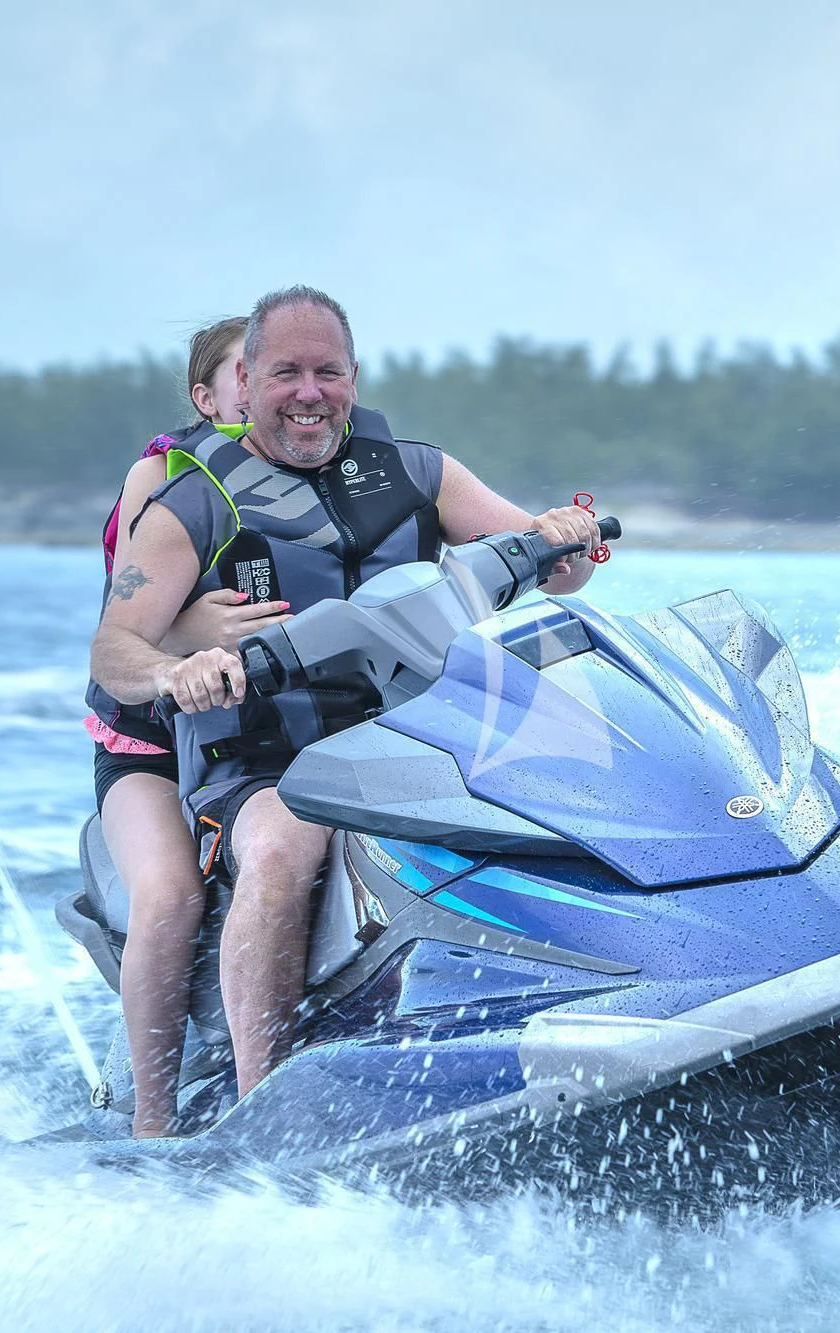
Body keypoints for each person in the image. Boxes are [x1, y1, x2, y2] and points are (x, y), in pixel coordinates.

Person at [91, 285, 602, 1110]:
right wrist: (172, 671)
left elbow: (556, 562)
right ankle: (263, 1105)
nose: (308, 392)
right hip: (262, 761)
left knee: (565, 773)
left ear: (353, 378)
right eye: (285, 372)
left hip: (418, 731)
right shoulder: (188, 502)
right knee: (289, 846)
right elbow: (114, 651)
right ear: (246, 383)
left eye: (327, 371)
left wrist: (565, 538)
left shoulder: (416, 470)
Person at [83, 316, 291, 1139]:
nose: (264, 382)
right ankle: (153, 1124)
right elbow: (119, 634)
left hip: (255, 743)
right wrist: (186, 636)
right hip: (152, 749)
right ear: (206, 397)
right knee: (171, 896)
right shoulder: (165, 478)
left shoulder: (317, 478)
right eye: (246, 370)